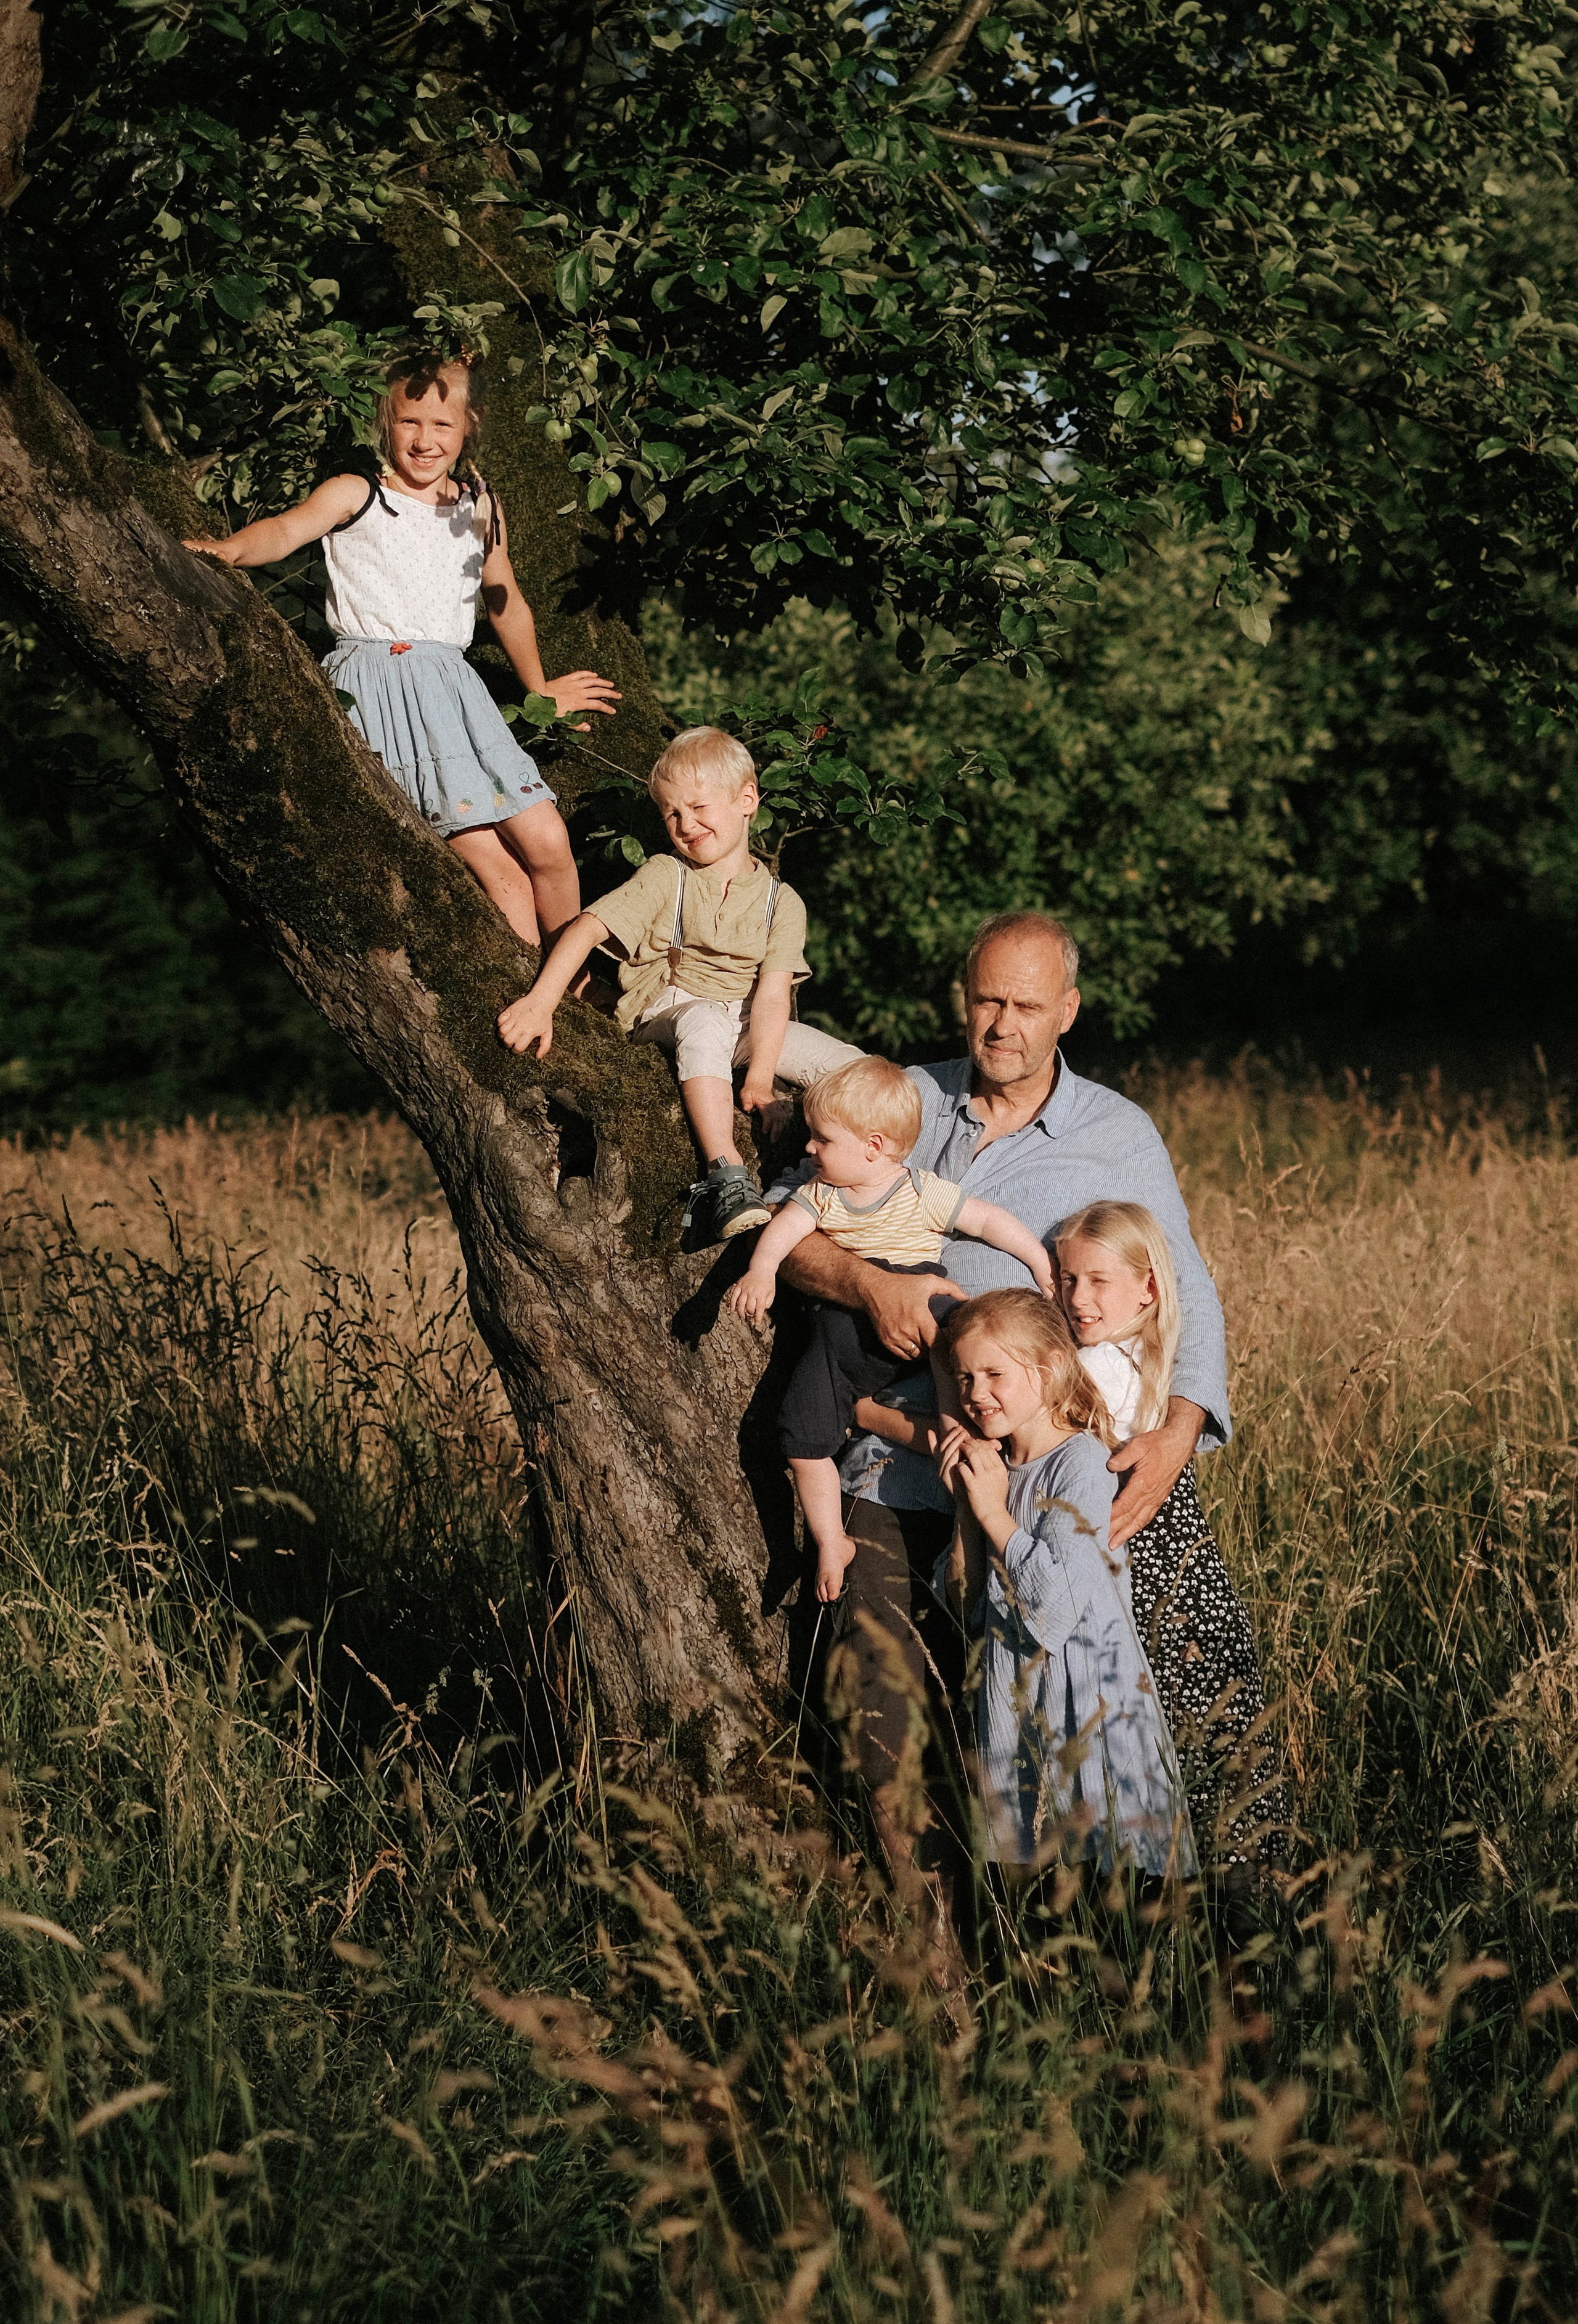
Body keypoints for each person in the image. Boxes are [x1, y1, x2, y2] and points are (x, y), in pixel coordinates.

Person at [769, 909, 1231, 1923]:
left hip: (1045, 1476)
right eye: (987, 1000)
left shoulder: (1115, 1134)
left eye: (1027, 1004)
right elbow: (787, 1223)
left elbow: (1183, 1285)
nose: (1003, 1023)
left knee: (1121, 1709)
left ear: (1067, 1011)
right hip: (896, 1465)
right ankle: (929, 1963)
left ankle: (1179, 1936)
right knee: (882, 1707)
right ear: (962, 1000)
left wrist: (1183, 1427)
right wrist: (861, 1285)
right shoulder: (906, 1099)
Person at [183, 347, 619, 947]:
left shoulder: (479, 507)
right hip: (382, 686)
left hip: (456, 693)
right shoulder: (355, 493)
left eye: (442, 424)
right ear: (386, 420)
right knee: (502, 875)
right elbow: (286, 529)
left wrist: (538, 688)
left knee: (549, 843)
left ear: (470, 426)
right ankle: (538, 1003)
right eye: (409, 421)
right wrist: (231, 549)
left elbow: (505, 599)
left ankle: (575, 982)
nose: (424, 439)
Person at [497, 727, 861, 1242]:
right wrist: (540, 1004)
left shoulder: (784, 902)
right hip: (669, 1007)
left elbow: (775, 997)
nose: (685, 824)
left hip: (744, 1020)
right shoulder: (668, 874)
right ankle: (727, 1175)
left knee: (853, 1067)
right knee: (705, 1020)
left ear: (747, 800)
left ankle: (871, 1182)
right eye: (671, 814)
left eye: (698, 807)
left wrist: (759, 1080)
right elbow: (587, 927)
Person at [723, 1055, 1060, 1603]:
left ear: (874, 1147)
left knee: (959, 1335)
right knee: (801, 1436)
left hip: (926, 1304)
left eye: (822, 1139)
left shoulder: (920, 1190)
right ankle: (832, 1541)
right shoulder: (820, 1193)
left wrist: (1039, 1264)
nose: (809, 1149)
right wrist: (761, 1273)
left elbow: (988, 1221)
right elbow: (782, 1230)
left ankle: (964, 1440)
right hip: (845, 1334)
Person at [1055, 1200, 1292, 1876]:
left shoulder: (1102, 1367)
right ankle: (1236, 1875)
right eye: (1067, 1279)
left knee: (1193, 1728)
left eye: (1098, 1281)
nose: (1078, 1298)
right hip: (1178, 1569)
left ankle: (1226, 1884)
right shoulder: (1140, 1351)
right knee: (1211, 1727)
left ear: (1147, 1288)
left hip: (1159, 1573)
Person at [939, 1290, 1194, 1880]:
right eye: (965, 1378)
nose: (976, 1394)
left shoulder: (1080, 1464)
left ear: (1048, 1370)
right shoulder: (998, 1472)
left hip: (1089, 1715)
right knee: (1036, 1913)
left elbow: (1054, 1608)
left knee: (1123, 1902)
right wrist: (967, 1507)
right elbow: (968, 1606)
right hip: (1016, 1710)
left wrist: (995, 1513)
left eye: (994, 1374)